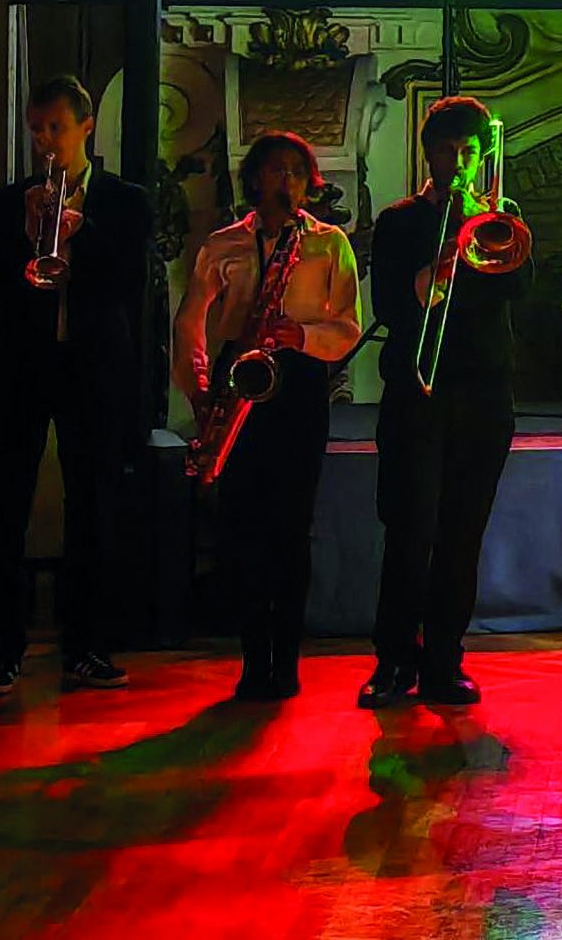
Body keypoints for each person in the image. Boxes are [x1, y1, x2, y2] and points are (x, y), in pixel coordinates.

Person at [0, 75, 158, 700]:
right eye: (37, 129)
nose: (45, 141)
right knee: (6, 512)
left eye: (56, 128)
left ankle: (86, 646)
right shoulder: (8, 202)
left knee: (93, 510)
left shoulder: (124, 201)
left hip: (94, 372)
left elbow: (132, 283)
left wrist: (80, 235)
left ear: (85, 129)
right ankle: (3, 652)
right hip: (24, 369)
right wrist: (27, 239)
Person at [175, 131, 361, 703]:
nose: (286, 182)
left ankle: (287, 660)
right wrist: (200, 390)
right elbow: (189, 323)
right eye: (276, 171)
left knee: (291, 530)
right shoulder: (223, 244)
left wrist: (300, 334)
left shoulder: (329, 245)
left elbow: (350, 328)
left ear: (309, 184)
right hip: (239, 384)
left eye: (297, 173)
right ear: (254, 179)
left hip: (298, 381)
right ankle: (254, 660)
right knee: (242, 532)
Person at [360, 96, 527, 709]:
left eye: (469, 152)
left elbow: (521, 286)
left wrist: (484, 231)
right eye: (448, 152)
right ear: (428, 155)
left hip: (483, 394)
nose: (459, 163)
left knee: (462, 533)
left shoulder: (500, 216)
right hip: (418, 392)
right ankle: (393, 659)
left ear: (483, 156)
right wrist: (441, 267)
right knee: (410, 528)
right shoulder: (400, 221)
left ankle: (444, 661)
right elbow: (390, 311)